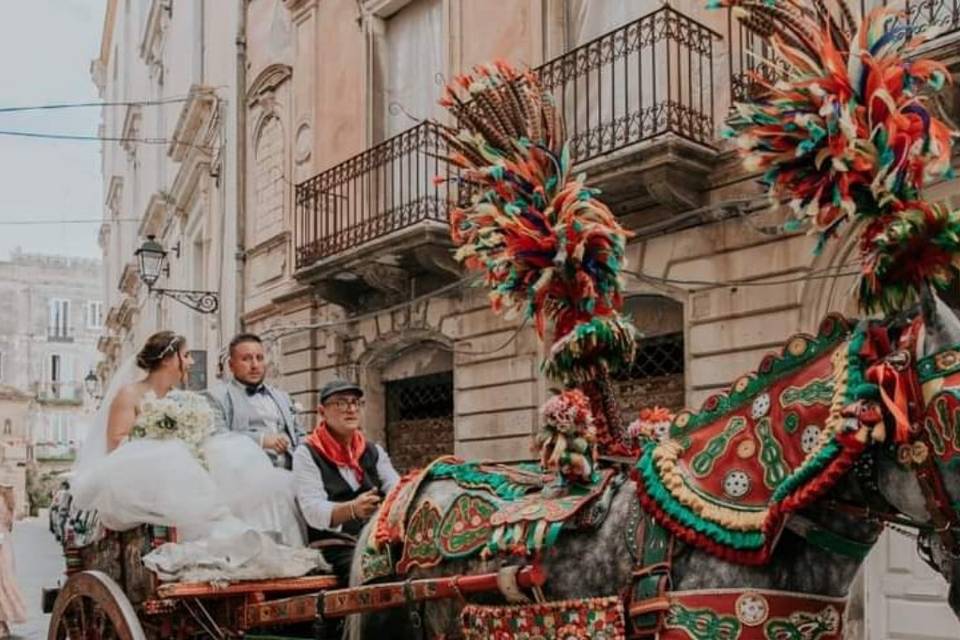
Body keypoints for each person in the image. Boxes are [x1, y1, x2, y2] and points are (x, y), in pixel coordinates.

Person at [70, 331, 320, 582]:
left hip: (182, 469)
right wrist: (161, 443)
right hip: (140, 476)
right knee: (180, 456)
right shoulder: (129, 394)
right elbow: (116, 444)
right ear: (169, 359)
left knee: (235, 452)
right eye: (186, 355)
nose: (191, 362)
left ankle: (251, 541)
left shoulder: (182, 398)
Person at [293, 379, 401, 581]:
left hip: (376, 539)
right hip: (336, 544)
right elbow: (312, 510)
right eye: (341, 403)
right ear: (322, 412)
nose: (350, 409)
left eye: (355, 403)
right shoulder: (307, 453)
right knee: (375, 573)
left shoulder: (372, 451)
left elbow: (397, 489)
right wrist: (352, 509)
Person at [205, 333, 303, 470]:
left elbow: (300, 435)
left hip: (292, 476)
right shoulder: (216, 397)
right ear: (231, 365)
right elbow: (219, 438)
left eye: (260, 358)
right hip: (247, 478)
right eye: (246, 359)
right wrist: (262, 440)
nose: (255, 365)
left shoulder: (283, 397)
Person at [0, 486, 26, 638]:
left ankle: (1, 626)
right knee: (4, 582)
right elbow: (9, 524)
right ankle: (3, 625)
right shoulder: (7, 498)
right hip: (4, 544)